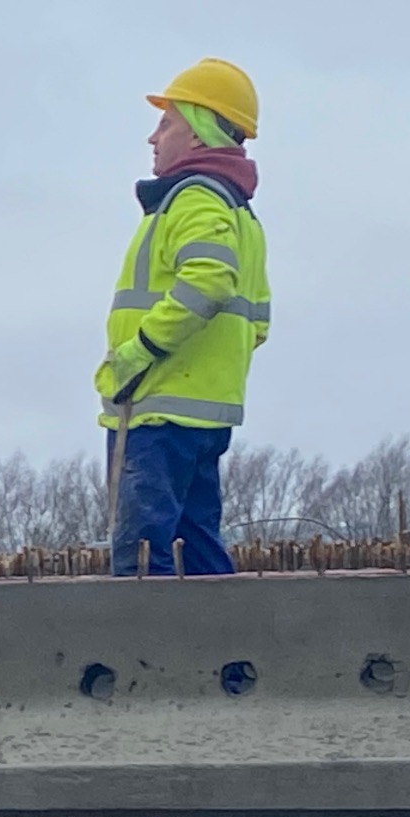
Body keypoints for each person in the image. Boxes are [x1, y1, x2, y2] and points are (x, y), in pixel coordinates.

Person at [97, 59, 272, 576]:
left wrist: (139, 354)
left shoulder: (193, 198)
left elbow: (208, 281)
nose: (153, 137)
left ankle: (145, 658)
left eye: (167, 122)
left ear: (198, 132)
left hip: (156, 413)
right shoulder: (240, 212)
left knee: (143, 562)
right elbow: (256, 323)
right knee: (197, 554)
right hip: (202, 416)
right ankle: (232, 655)